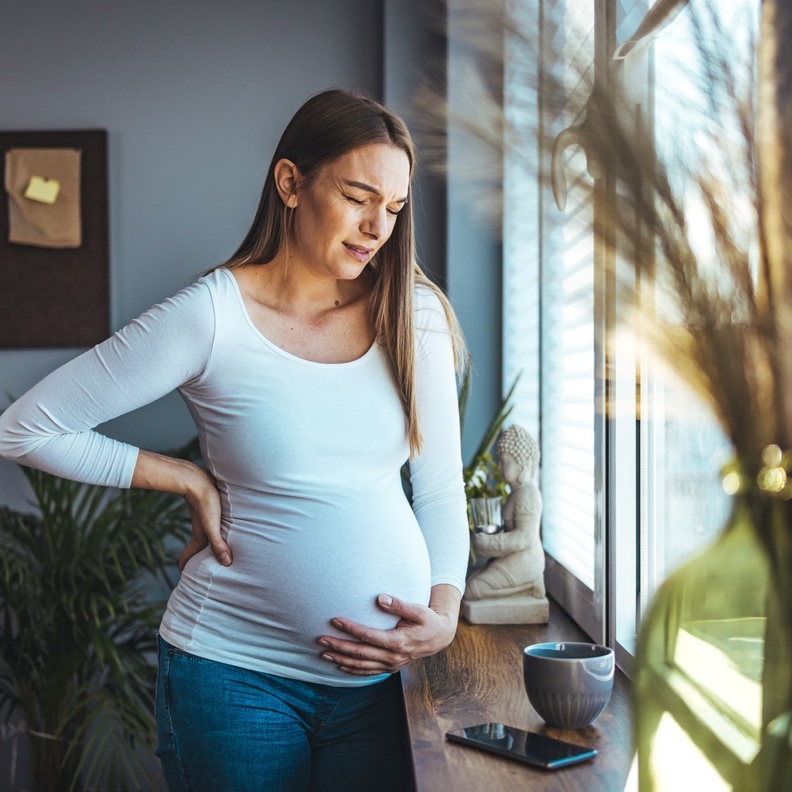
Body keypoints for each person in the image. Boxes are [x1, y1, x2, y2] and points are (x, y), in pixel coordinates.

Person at [0, 88, 470, 792]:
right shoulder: (210, 317)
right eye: (357, 196)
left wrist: (445, 610)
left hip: (379, 690)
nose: (378, 226)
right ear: (290, 183)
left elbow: (437, 486)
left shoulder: (414, 311)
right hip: (231, 680)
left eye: (395, 208)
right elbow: (25, 427)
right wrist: (183, 477)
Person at [464, 425, 546, 602]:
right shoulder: (515, 493)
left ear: (523, 464)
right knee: (469, 582)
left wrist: (491, 542)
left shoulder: (529, 494)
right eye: (499, 460)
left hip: (526, 560)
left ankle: (529, 586)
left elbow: (525, 538)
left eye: (504, 461)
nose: (499, 466)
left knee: (473, 590)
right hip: (514, 556)